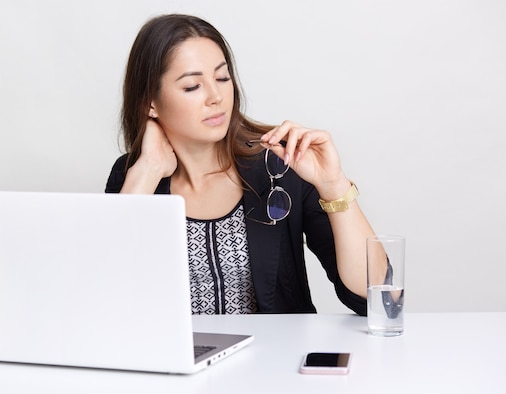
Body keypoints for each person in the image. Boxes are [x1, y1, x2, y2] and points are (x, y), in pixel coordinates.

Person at [105, 14, 377, 316]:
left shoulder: (282, 165)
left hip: (274, 361)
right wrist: (148, 171)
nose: (217, 96)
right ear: (149, 103)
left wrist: (333, 185)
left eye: (222, 78)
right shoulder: (133, 176)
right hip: (176, 363)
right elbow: (106, 298)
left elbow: (373, 298)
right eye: (193, 86)